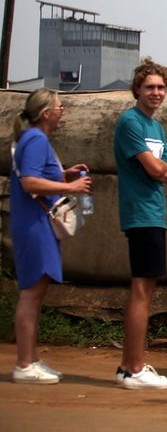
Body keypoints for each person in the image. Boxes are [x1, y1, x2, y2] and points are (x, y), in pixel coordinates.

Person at [9, 89, 91, 384]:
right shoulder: (35, 139)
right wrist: (72, 188)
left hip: (37, 222)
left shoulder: (36, 139)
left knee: (37, 292)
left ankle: (30, 359)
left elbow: (37, 174)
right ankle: (24, 363)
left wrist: (64, 174)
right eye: (59, 105)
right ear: (46, 113)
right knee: (31, 293)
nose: (63, 110)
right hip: (33, 224)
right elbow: (29, 180)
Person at [114, 57, 167, 390]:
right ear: (137, 89)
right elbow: (157, 171)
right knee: (141, 290)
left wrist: (161, 168)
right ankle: (134, 368)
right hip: (140, 213)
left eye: (161, 87)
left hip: (155, 212)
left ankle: (128, 365)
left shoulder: (155, 126)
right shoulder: (131, 122)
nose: (156, 92)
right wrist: (160, 168)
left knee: (146, 289)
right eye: (150, 87)